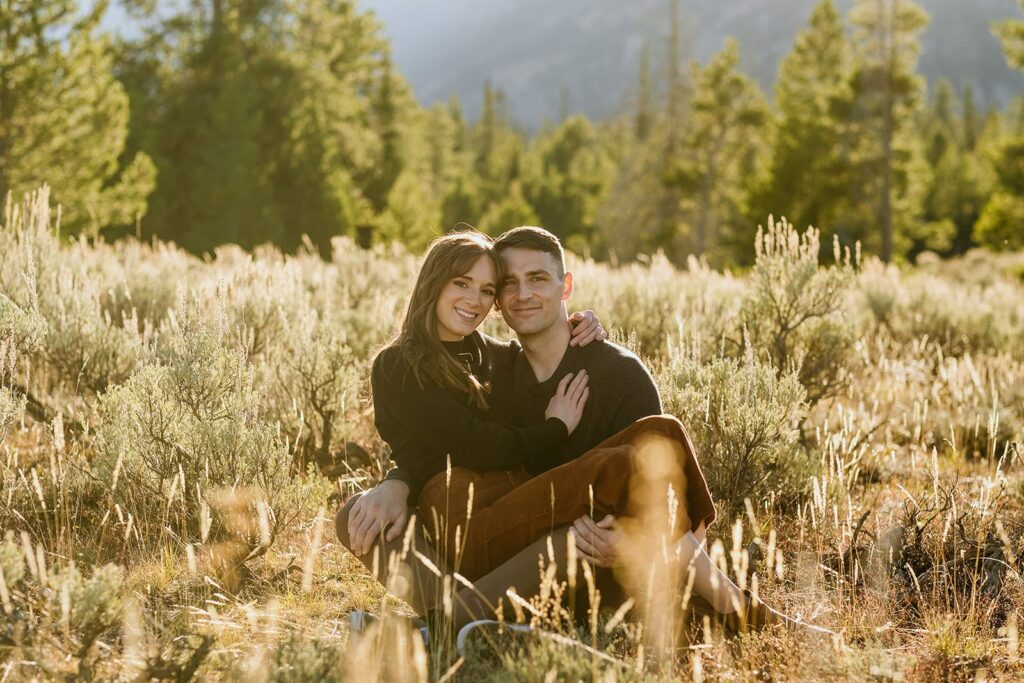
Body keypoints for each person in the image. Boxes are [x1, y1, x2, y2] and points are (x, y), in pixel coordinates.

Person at [336, 227, 829, 644]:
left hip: (593, 563)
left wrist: (636, 543)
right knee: (357, 516)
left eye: (537, 280)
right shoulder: (491, 368)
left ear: (565, 285)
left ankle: (449, 628)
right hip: (504, 545)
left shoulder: (613, 374)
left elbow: (657, 495)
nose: (520, 295)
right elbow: (449, 437)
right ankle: (464, 626)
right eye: (507, 285)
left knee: (657, 442)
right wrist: (397, 482)